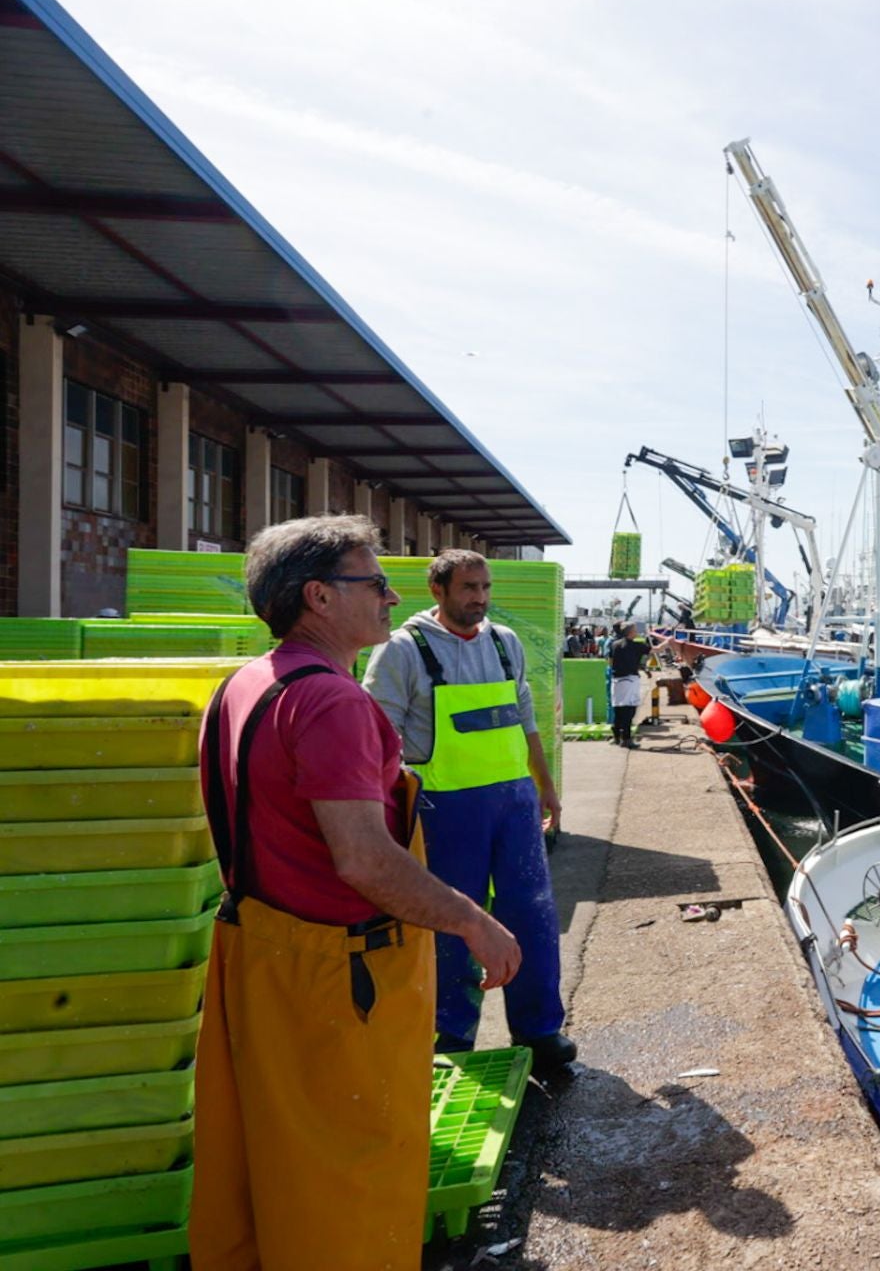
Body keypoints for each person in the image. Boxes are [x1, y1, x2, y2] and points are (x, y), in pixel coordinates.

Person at [191, 516, 521, 1268]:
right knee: (351, 1178)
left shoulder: (244, 685)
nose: (390, 595)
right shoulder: (334, 704)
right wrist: (473, 922)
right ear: (319, 597)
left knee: (266, 1168)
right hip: (338, 979)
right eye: (372, 582)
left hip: (256, 951)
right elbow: (365, 860)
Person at [362, 549, 575, 1075]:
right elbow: (377, 734)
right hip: (444, 809)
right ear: (438, 591)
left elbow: (525, 719)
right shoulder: (402, 651)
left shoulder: (505, 644)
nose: (479, 598)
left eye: (484, 587)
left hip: (515, 804)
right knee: (452, 924)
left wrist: (544, 784)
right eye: (467, 588)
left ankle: (539, 1030)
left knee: (533, 915)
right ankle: (449, 1036)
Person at [607, 622, 646, 747]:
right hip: (630, 679)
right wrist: (668, 641)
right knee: (629, 709)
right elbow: (655, 649)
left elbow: (610, 661)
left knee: (618, 709)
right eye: (635, 630)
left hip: (616, 680)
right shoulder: (636, 646)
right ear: (630, 632)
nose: (637, 632)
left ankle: (616, 737)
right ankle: (627, 739)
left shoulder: (614, 644)